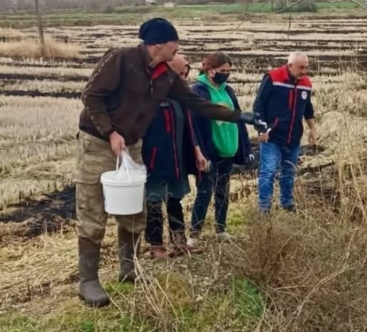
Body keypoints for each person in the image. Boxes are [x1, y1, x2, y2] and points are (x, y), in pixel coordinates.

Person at [76, 18, 262, 308]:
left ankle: (129, 269)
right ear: (160, 44)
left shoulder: (166, 75)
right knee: (92, 210)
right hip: (98, 144)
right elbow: (91, 95)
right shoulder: (121, 59)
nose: (178, 48)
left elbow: (195, 103)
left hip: (132, 146)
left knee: (133, 211)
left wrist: (240, 116)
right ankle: (88, 281)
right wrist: (110, 132)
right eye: (176, 43)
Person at [141, 54, 204, 259]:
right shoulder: (149, 97)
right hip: (154, 160)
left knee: (175, 200)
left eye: (186, 75)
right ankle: (156, 247)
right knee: (154, 202)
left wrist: (196, 150)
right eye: (179, 74)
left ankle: (179, 243)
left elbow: (189, 129)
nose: (183, 80)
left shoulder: (180, 99)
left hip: (178, 161)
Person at [189, 52, 255, 245]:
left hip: (228, 148)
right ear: (210, 70)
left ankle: (221, 229)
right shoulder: (199, 90)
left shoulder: (229, 91)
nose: (226, 74)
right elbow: (195, 125)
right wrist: (200, 152)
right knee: (204, 192)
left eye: (228, 71)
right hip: (210, 150)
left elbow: (238, 119)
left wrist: (246, 148)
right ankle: (194, 234)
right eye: (222, 71)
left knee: (223, 190)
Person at [253, 52, 319, 214]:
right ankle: (264, 208)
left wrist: (312, 128)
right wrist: (261, 128)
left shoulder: (305, 83)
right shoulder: (273, 78)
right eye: (300, 67)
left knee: (289, 171)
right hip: (272, 136)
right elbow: (259, 103)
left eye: (306, 68)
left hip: (293, 137)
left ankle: (287, 204)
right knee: (268, 172)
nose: (304, 71)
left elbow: (307, 107)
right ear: (290, 65)